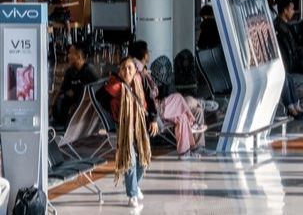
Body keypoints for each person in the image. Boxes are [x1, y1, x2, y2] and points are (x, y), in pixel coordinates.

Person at [128, 41, 207, 159]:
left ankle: (185, 152)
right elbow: (150, 94)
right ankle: (194, 119)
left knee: (183, 116)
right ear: (144, 55)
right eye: (148, 51)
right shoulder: (139, 72)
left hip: (155, 107)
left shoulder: (138, 69)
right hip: (154, 109)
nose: (149, 54)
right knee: (178, 98)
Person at [104, 57, 158, 209]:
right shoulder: (114, 87)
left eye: (130, 68)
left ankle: (133, 183)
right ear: (119, 70)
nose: (126, 71)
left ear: (135, 70)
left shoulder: (141, 81)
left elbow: (151, 99)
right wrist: (116, 118)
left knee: (143, 159)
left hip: (141, 125)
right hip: (123, 128)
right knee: (130, 159)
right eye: (123, 68)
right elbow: (102, 102)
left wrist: (153, 119)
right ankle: (132, 195)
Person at [273, 0, 303, 118]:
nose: (293, 12)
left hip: (286, 62)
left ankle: (295, 105)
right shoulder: (279, 27)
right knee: (285, 79)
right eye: (292, 9)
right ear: (285, 10)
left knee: (289, 79)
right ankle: (291, 107)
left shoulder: (284, 26)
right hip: (282, 62)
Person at [52, 43, 99, 127]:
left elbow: (98, 89)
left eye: (71, 53)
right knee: (61, 99)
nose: (68, 56)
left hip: (86, 102)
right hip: (73, 99)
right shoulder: (70, 72)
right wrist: (53, 102)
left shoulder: (89, 70)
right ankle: (60, 124)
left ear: (79, 56)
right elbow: (62, 89)